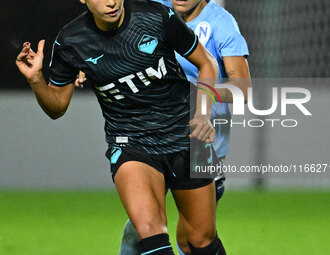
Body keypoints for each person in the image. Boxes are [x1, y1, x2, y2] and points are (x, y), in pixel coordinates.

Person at [16, 0, 226, 255]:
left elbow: (207, 63)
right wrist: (37, 80)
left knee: (200, 242)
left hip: (186, 136)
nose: (111, 1)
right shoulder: (71, 41)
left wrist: (203, 114)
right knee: (151, 233)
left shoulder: (156, 16)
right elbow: (57, 107)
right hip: (130, 143)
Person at [116, 0, 250, 254]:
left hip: (200, 144)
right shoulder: (155, 11)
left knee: (192, 242)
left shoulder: (221, 24)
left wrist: (193, 94)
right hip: (153, 137)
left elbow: (242, 89)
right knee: (138, 233)